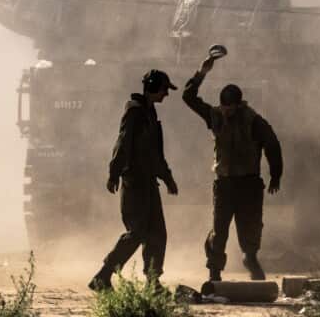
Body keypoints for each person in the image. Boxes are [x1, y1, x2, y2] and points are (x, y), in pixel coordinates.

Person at [182, 50, 283, 282]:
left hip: (249, 183)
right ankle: (215, 270)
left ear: (238, 105)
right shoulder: (215, 116)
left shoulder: (253, 121)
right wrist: (201, 72)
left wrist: (276, 174)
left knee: (251, 227)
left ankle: (250, 258)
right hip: (225, 183)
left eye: (230, 107)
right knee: (220, 230)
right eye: (223, 106)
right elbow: (188, 98)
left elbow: (272, 144)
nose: (226, 111)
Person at [89, 69, 180, 291]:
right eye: (164, 89)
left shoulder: (149, 113)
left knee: (157, 232)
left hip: (149, 182)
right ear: (152, 86)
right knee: (137, 232)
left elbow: (156, 153)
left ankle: (152, 282)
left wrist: (167, 178)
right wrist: (114, 172)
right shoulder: (135, 112)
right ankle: (103, 276)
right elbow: (123, 142)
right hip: (135, 182)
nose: (166, 94)